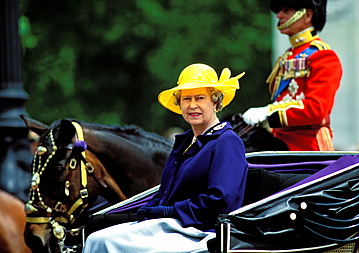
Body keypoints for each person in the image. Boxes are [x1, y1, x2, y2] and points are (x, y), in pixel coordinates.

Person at [82, 63, 248, 253]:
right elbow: (166, 193)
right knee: (96, 237)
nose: (192, 105)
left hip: (201, 231)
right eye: (186, 99)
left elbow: (220, 201)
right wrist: (150, 209)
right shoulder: (185, 142)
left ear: (216, 103)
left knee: (104, 242)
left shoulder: (227, 142)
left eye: (200, 98)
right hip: (171, 225)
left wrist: (169, 211)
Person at [242, 0, 342, 151]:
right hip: (279, 142)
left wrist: (269, 112)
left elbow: (316, 109)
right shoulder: (288, 56)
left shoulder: (323, 56)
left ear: (307, 15)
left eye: (286, 10)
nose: (279, 15)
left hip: (308, 147)